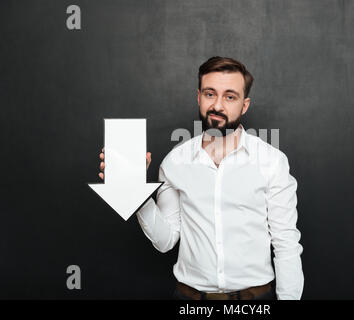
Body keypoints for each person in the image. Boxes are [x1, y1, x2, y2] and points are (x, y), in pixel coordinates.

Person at [98, 56, 304, 300]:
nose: (217, 105)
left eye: (230, 96)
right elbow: (165, 241)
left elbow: (286, 244)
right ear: (199, 97)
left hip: (255, 300)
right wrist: (134, 189)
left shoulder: (272, 161)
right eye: (210, 94)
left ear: (244, 105)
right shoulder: (175, 162)